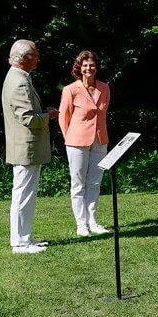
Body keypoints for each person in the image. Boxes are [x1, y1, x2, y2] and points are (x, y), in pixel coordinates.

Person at [2, 39, 59, 254]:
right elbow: (27, 118)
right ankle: (20, 242)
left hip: (27, 147)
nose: (38, 59)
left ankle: (25, 237)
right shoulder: (18, 81)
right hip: (25, 148)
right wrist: (49, 116)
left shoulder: (20, 77)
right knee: (23, 194)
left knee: (26, 194)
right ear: (25, 58)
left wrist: (43, 113)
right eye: (35, 55)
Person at [59, 51, 110, 236]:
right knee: (78, 183)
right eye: (85, 65)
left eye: (92, 65)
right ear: (79, 68)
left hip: (100, 140)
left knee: (95, 183)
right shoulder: (70, 89)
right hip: (76, 142)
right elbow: (63, 117)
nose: (89, 68)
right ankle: (81, 224)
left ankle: (93, 221)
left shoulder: (104, 88)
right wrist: (69, 138)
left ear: (96, 67)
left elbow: (102, 115)